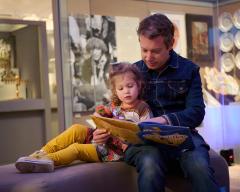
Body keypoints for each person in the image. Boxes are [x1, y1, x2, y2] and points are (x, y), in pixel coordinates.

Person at [92, 14, 219, 192]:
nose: (148, 57)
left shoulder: (189, 70)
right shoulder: (132, 71)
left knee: (199, 166)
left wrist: (164, 120)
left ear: (171, 44)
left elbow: (197, 112)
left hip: (181, 137)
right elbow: (113, 108)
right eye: (144, 50)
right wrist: (102, 130)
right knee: (150, 162)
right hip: (142, 143)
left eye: (155, 51)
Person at [15, 62, 152, 173]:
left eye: (130, 86)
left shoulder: (142, 107)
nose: (126, 91)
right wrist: (100, 127)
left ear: (138, 85)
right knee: (76, 129)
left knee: (76, 149)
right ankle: (38, 155)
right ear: (115, 91)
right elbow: (98, 117)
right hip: (102, 141)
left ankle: (46, 160)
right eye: (121, 88)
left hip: (112, 151)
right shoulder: (114, 105)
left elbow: (145, 135)